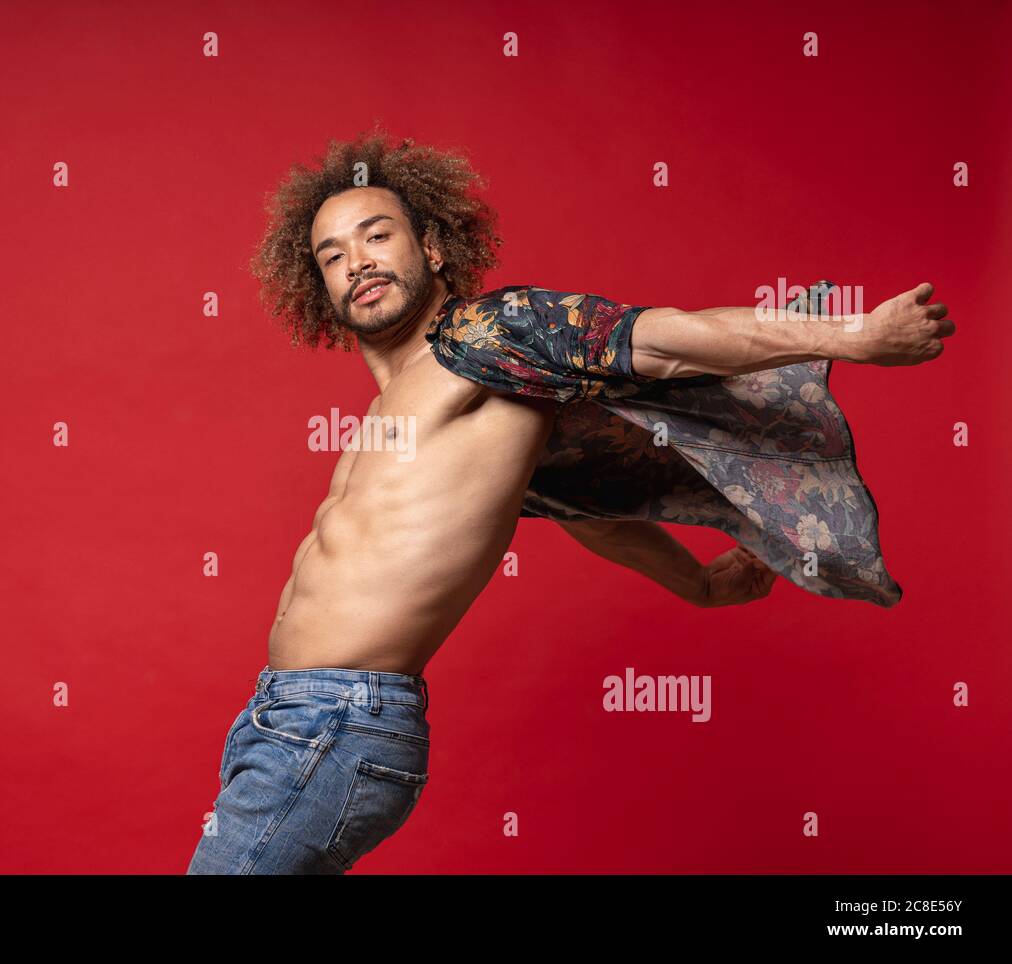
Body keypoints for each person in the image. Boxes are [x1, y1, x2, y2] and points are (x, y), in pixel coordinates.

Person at [185, 128, 955, 874]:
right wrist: (696, 583)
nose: (357, 262)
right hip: (281, 720)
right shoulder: (425, 403)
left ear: (434, 246)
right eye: (333, 255)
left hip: (336, 723)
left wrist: (854, 335)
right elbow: (580, 503)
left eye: (377, 236)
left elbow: (666, 338)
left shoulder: (488, 336)